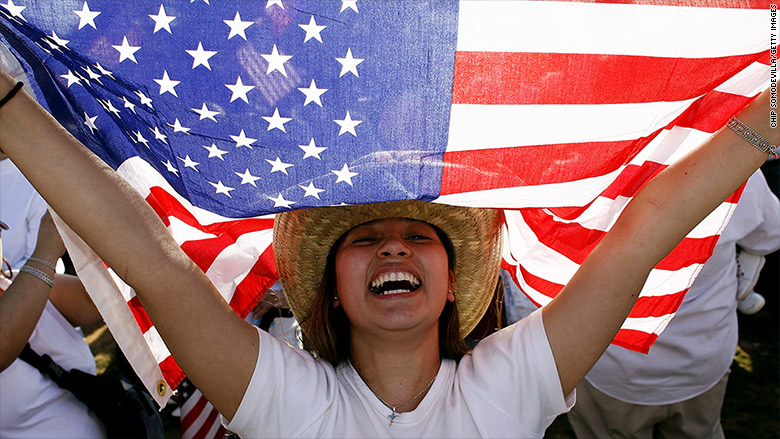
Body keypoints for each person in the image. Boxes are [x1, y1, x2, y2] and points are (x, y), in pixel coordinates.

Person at [0, 59, 776, 437]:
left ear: (451, 280)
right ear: (331, 288)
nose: (394, 248)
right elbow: (151, 262)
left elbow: (640, 236)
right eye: (364, 239)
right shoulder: (291, 402)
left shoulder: (509, 382)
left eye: (419, 236)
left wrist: (761, 123)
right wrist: (8, 107)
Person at [567, 170, 780, 439]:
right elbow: (770, 234)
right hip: (700, 358)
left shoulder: (582, 174)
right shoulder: (740, 163)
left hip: (609, 364)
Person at [0, 212, 106, 438]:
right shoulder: (32, 277)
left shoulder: (20, 282)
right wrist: (45, 252)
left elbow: (98, 301)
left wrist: (94, 232)